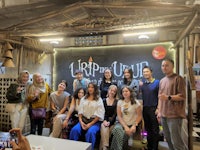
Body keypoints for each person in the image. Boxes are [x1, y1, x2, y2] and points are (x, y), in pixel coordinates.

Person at [157, 58, 187, 150]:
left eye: (167, 65)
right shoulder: (162, 80)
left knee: (176, 141)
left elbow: (182, 96)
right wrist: (159, 111)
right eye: (163, 65)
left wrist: (169, 97)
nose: (164, 67)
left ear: (172, 66)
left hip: (175, 116)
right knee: (168, 140)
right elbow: (160, 97)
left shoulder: (178, 78)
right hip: (163, 115)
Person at [69, 82, 105, 150]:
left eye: (92, 87)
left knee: (91, 132)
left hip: (94, 122)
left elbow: (99, 115)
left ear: (95, 89)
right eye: (89, 87)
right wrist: (81, 122)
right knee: (75, 130)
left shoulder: (99, 100)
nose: (90, 89)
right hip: (83, 120)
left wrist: (90, 124)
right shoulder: (84, 98)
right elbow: (80, 112)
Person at [110, 86, 142, 150]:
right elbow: (119, 116)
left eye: (126, 91)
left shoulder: (136, 103)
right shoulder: (120, 102)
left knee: (119, 135)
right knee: (117, 130)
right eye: (123, 91)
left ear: (130, 92)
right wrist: (125, 127)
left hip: (132, 125)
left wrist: (134, 125)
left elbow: (139, 116)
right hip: (121, 124)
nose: (125, 93)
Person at [140, 66, 160, 150]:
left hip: (154, 109)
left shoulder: (157, 82)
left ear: (151, 72)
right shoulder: (143, 85)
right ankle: (149, 146)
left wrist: (158, 108)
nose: (145, 73)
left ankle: (154, 148)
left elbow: (160, 97)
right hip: (145, 109)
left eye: (147, 71)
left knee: (155, 130)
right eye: (144, 72)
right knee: (147, 129)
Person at [99, 85, 118, 150]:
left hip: (113, 122)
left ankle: (102, 147)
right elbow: (102, 112)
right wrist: (104, 121)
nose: (112, 92)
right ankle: (105, 147)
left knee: (106, 131)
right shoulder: (103, 100)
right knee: (104, 128)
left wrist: (110, 122)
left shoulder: (117, 101)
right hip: (104, 120)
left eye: (114, 91)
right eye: (111, 90)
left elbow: (115, 114)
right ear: (108, 90)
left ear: (116, 93)